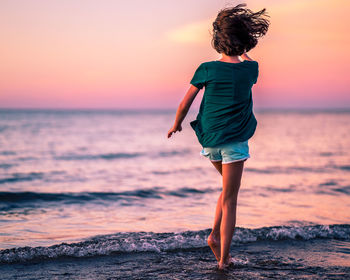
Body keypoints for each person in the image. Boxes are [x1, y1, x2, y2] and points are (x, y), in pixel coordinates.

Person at [167, 3, 270, 270]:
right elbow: (247, 59)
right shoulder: (251, 69)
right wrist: (243, 51)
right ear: (244, 41)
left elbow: (185, 103)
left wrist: (176, 125)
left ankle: (214, 235)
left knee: (226, 190)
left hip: (209, 141)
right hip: (234, 141)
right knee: (231, 198)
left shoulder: (206, 68)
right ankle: (224, 260)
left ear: (218, 41)